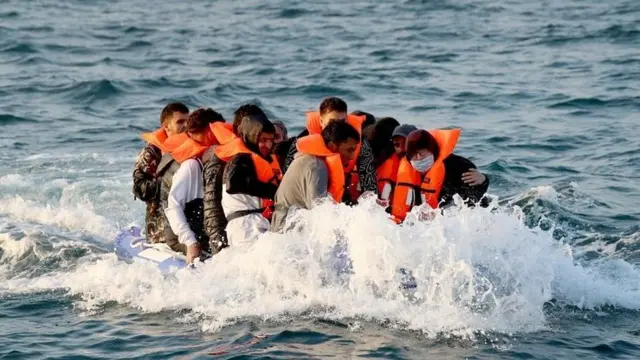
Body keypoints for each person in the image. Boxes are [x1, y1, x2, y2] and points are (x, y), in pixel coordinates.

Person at [203, 104, 279, 254]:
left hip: (253, 224)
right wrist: (273, 191)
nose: (268, 145)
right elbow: (233, 185)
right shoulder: (239, 158)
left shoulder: (255, 157)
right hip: (245, 227)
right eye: (263, 140)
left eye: (271, 140)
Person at [158, 108, 225, 263]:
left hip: (198, 227)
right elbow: (173, 206)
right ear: (210, 133)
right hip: (180, 236)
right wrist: (190, 242)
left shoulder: (204, 162)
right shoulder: (191, 166)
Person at [283, 97, 377, 205]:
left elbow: (370, 187)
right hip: (306, 196)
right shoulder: (301, 143)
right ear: (321, 121)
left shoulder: (359, 145)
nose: (338, 127)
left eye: (342, 122)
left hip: (340, 194)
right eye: (332, 122)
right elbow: (288, 178)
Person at [271, 121, 361, 233]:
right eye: (349, 150)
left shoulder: (311, 160)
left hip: (286, 230)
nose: (352, 156)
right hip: (287, 235)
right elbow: (319, 213)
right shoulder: (316, 167)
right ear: (332, 146)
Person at [390, 129, 489, 223]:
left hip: (467, 220)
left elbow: (474, 200)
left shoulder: (458, 166)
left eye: (421, 153)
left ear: (432, 151)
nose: (418, 158)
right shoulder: (406, 173)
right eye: (413, 154)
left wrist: (484, 181)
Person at [132, 102, 189, 244]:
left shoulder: (189, 148)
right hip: (160, 229)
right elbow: (139, 187)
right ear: (166, 126)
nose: (185, 126)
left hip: (187, 222)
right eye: (180, 122)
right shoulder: (152, 153)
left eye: (187, 121)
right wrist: (168, 181)